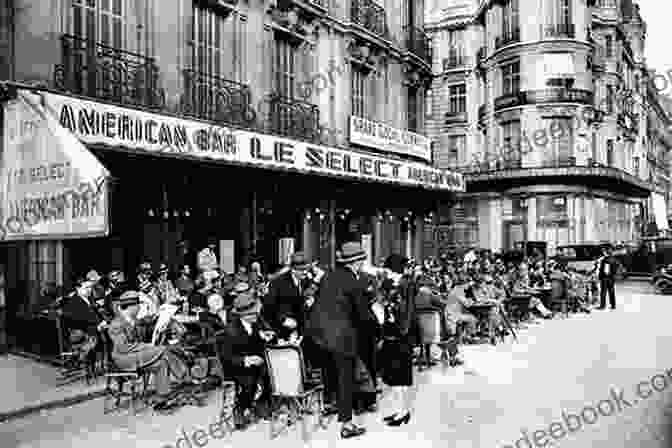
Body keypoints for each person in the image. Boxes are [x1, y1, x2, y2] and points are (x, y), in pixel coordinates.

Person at [306, 242, 371, 439]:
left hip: (319, 335)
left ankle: (330, 404)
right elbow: (362, 315)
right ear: (357, 262)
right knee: (345, 378)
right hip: (342, 336)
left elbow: (320, 302)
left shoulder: (328, 274)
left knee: (329, 372)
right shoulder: (354, 280)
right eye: (361, 261)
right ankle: (347, 424)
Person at [106, 290, 189, 410]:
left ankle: (162, 399)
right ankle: (185, 376)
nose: (140, 308)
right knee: (163, 350)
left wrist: (160, 317)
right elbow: (123, 348)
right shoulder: (117, 324)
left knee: (162, 363)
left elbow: (146, 322)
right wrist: (147, 346)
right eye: (139, 306)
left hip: (134, 355)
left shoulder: (131, 319)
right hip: (123, 360)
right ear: (131, 307)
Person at [216, 292, 276, 429]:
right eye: (252, 314)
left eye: (255, 313)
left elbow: (260, 336)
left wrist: (265, 335)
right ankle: (240, 408)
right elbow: (227, 357)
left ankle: (262, 404)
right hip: (237, 367)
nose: (256, 315)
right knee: (249, 381)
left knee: (271, 373)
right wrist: (246, 360)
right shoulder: (231, 331)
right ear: (242, 315)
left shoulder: (255, 322)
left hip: (256, 362)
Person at [379, 255, 416, 426]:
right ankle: (399, 411)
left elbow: (404, 312)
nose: (385, 272)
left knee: (399, 377)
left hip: (399, 336)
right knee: (395, 377)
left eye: (387, 268)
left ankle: (402, 412)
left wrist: (401, 332)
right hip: (396, 335)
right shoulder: (398, 284)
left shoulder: (403, 285)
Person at [263, 252, 311, 341]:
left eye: (307, 269)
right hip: (282, 332)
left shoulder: (306, 281)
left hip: (301, 332)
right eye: (301, 270)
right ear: (293, 270)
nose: (305, 272)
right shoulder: (278, 283)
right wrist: (283, 320)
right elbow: (268, 307)